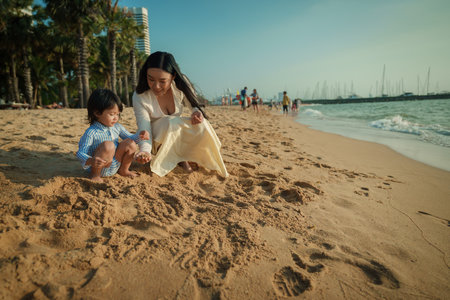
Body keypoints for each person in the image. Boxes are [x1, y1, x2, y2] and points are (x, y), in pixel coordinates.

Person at [132, 51, 229, 177]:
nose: (156, 86)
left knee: (202, 124)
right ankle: (182, 161)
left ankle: (196, 158)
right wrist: (145, 152)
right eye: (151, 79)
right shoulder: (140, 96)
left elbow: (193, 105)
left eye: (162, 81)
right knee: (171, 121)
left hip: (175, 133)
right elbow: (144, 128)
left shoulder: (180, 85)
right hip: (155, 138)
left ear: (173, 77)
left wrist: (196, 113)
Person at [76, 89, 150, 182]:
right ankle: (95, 175)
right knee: (108, 145)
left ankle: (124, 170)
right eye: (111, 114)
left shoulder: (117, 127)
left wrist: (141, 135)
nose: (116, 118)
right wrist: (91, 160)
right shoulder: (91, 132)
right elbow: (80, 153)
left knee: (130, 143)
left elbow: (131, 138)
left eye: (117, 114)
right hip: (99, 166)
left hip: (115, 163)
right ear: (97, 113)